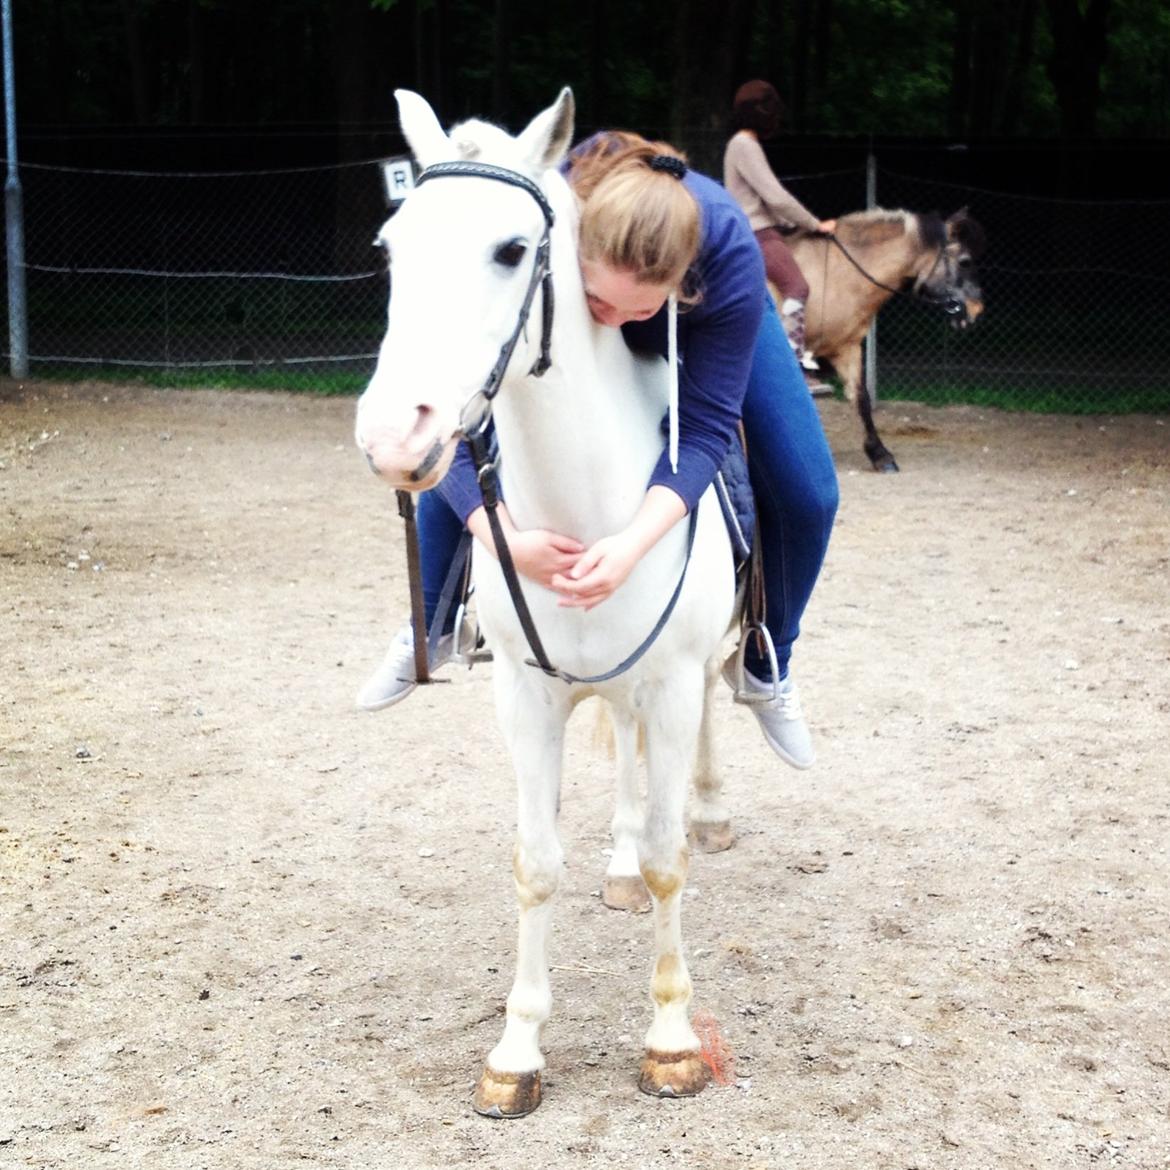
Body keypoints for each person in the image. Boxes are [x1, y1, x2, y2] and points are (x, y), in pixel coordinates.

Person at [357, 130, 839, 769]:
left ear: (674, 286)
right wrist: (499, 536)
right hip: (568, 296)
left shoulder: (723, 256)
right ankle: (432, 621)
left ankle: (765, 657)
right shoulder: (555, 206)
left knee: (810, 490)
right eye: (602, 304)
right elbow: (469, 394)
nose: (616, 320)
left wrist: (632, 544)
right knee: (471, 415)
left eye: (632, 308)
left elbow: (704, 425)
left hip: (715, 317)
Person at [723, 79, 836, 393]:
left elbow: (766, 199)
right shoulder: (744, 145)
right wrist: (815, 224)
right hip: (758, 234)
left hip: (764, 228)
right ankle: (794, 369)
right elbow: (775, 196)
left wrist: (788, 223)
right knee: (796, 286)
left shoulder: (744, 144)